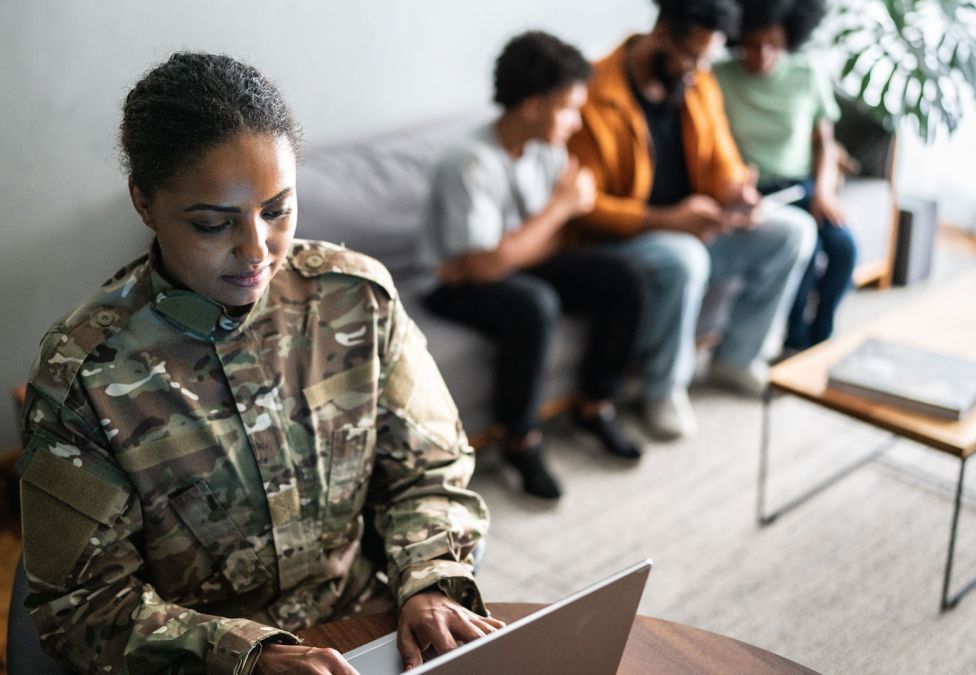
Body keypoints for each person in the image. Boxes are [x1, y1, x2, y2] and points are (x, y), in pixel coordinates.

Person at [17, 52, 503, 674]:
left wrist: (432, 577)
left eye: (277, 210)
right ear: (144, 202)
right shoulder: (84, 373)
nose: (257, 250)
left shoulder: (356, 298)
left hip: (367, 631)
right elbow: (82, 608)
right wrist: (250, 658)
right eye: (213, 223)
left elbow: (431, 470)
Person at [567, 0, 816, 440]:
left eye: (707, 58)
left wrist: (737, 192)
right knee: (685, 258)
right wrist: (666, 219)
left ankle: (737, 357)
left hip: (694, 225)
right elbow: (585, 209)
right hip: (625, 240)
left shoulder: (698, 82)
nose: (699, 68)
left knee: (794, 231)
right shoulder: (594, 91)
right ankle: (663, 390)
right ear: (661, 34)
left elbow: (722, 161)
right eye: (692, 55)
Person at [421, 31, 647, 500]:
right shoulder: (471, 162)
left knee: (622, 275)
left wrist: (510, 250)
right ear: (532, 105)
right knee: (533, 304)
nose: (576, 121)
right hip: (446, 282)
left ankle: (594, 404)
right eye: (568, 108)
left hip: (501, 264)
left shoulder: (548, 146)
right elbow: (483, 268)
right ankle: (520, 440)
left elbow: (537, 245)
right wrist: (557, 213)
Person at [714, 0, 856, 351]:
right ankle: (794, 342)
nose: (761, 54)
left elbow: (824, 143)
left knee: (844, 249)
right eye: (752, 44)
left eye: (772, 44)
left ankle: (821, 334)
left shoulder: (807, 75)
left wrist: (824, 192)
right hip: (755, 193)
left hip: (802, 188)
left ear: (789, 38)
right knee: (803, 250)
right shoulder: (719, 77)